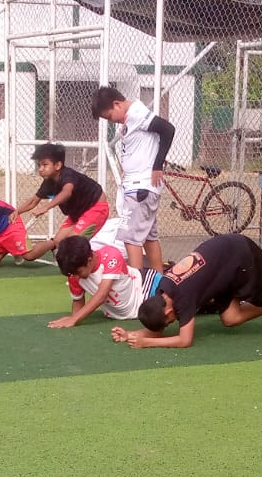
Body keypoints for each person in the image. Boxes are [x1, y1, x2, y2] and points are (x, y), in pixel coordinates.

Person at [110, 233, 262, 350]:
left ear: (168, 311)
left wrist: (146, 342)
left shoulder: (182, 296)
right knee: (230, 318)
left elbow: (185, 340)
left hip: (239, 254)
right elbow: (160, 326)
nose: (171, 322)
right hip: (221, 272)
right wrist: (131, 334)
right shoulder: (164, 290)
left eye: (169, 321)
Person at [91, 85, 174, 272]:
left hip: (140, 187)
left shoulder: (136, 113)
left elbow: (167, 129)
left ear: (117, 104)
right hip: (137, 185)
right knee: (149, 238)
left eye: (109, 116)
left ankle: (136, 284)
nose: (111, 121)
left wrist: (157, 165)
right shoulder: (129, 118)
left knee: (130, 238)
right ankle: (159, 281)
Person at [13, 143, 110, 262]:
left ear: (58, 165)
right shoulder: (48, 183)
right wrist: (17, 212)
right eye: (39, 165)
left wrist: (46, 207)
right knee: (59, 241)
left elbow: (67, 192)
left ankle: (98, 263)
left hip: (96, 208)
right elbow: (34, 200)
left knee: (72, 243)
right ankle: (61, 254)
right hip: (78, 214)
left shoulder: (68, 175)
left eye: (45, 165)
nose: (40, 169)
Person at [49, 223, 144, 328]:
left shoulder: (111, 255)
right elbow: (78, 300)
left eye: (78, 272)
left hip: (145, 289)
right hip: (119, 314)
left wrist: (74, 319)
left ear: (89, 260)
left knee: (153, 315)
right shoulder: (73, 274)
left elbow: (102, 295)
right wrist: (73, 317)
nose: (76, 277)